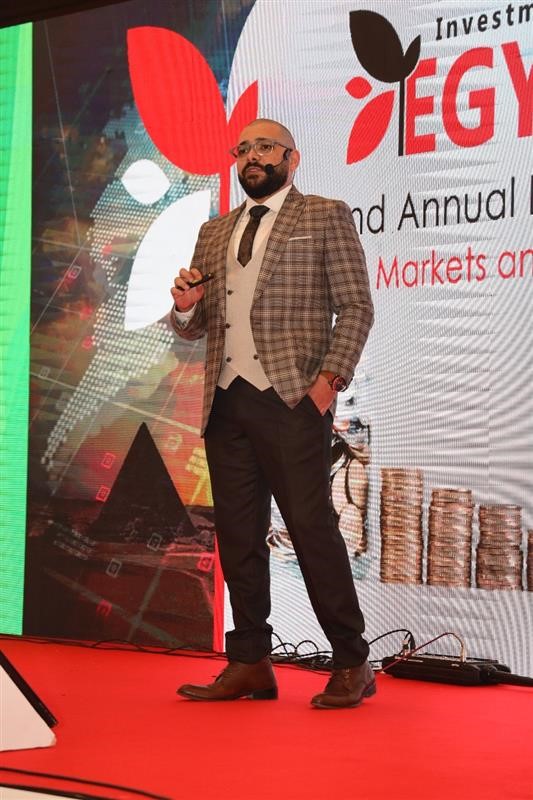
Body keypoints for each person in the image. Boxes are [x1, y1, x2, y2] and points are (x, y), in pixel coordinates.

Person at [170, 118, 375, 709]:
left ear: (292, 157)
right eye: (242, 150)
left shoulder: (325, 215)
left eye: (264, 147)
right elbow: (197, 326)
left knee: (310, 529)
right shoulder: (213, 231)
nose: (251, 157)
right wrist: (184, 307)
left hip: (291, 399)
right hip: (226, 400)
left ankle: (352, 660)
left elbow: (356, 307)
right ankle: (250, 661)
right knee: (238, 535)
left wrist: (326, 386)